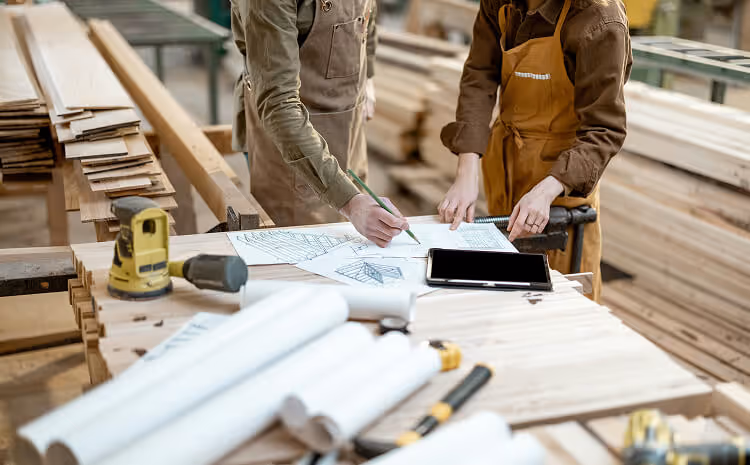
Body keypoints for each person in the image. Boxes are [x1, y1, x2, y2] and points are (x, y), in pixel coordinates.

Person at [438, 0, 632, 301]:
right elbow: (480, 75)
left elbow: (604, 130)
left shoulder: (600, 19)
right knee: (507, 295)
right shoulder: (500, 4)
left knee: (564, 303)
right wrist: (467, 169)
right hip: (505, 167)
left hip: (562, 187)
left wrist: (546, 191)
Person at [230, 0, 408, 247]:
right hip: (290, 141)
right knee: (301, 255)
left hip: (349, 126)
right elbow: (279, 105)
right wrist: (350, 201)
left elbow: (367, 11)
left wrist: (368, 78)